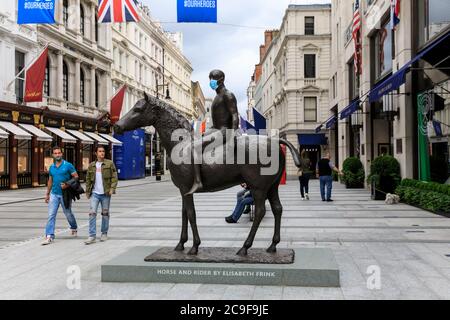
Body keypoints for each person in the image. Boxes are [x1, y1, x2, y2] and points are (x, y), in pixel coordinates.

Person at [186, 69, 239, 195]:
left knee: (194, 147)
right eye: (210, 79)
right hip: (215, 129)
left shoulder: (228, 95)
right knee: (193, 142)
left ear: (221, 80)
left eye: (213, 79)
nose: (211, 82)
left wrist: (232, 136)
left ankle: (198, 181)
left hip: (224, 131)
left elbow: (235, 116)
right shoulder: (217, 97)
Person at [42, 146, 79, 245]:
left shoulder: (68, 165)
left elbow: (76, 176)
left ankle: (74, 227)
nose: (57, 155)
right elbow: (50, 181)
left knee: (68, 213)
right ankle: (49, 236)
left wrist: (67, 184)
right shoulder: (52, 167)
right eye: (55, 153)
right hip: (54, 194)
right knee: (51, 215)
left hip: (65, 194)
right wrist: (47, 194)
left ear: (62, 154)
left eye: (59, 153)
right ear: (53, 155)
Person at [84, 145, 118, 245]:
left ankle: (104, 233)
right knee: (92, 213)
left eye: (103, 151)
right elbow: (88, 180)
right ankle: (92, 236)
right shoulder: (91, 165)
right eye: (99, 151)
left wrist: (112, 188)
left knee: (105, 214)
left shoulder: (109, 163)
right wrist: (87, 191)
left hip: (106, 193)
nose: (102, 153)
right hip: (95, 193)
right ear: (96, 153)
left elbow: (114, 177)